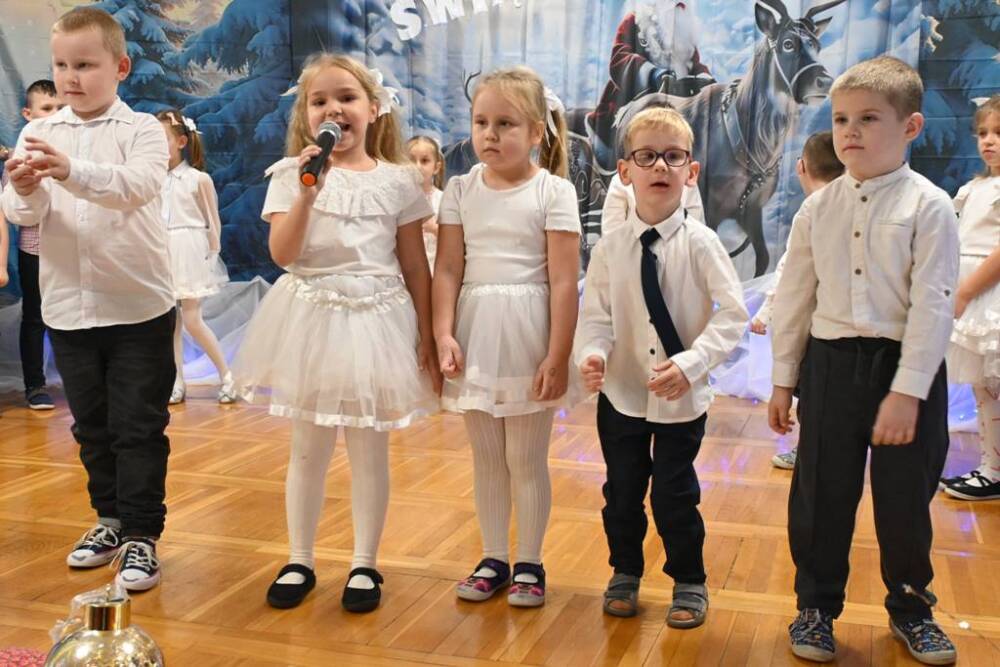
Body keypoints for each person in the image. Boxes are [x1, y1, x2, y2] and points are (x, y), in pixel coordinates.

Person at [768, 56, 959, 664]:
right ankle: (815, 607)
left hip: (906, 371)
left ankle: (912, 609)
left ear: (910, 126)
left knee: (904, 500)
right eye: (841, 119)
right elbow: (794, 299)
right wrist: (783, 381)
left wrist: (907, 391)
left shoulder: (930, 206)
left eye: (869, 118)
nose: (850, 131)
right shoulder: (816, 209)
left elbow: (933, 305)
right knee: (820, 495)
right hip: (830, 366)